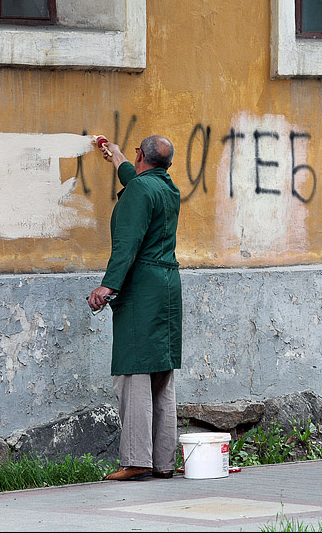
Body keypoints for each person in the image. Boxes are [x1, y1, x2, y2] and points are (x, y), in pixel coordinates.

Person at [88, 134, 183, 481]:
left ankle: (135, 460)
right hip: (168, 289)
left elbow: (127, 244)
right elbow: (137, 180)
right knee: (161, 374)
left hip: (141, 288)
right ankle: (162, 462)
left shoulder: (141, 193)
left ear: (143, 155)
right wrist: (116, 156)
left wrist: (107, 286)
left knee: (133, 374)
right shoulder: (166, 188)